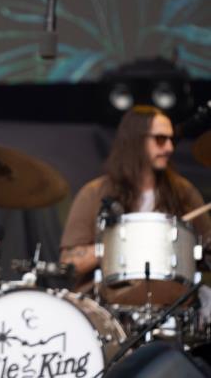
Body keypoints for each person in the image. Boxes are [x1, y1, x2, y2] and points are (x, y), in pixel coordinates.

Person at [59, 105, 211, 292]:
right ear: (135, 141)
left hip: (171, 302)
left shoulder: (183, 192)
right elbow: (69, 265)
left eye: (171, 139)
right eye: (160, 139)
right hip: (106, 303)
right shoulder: (94, 193)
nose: (170, 147)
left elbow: (206, 249)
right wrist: (121, 244)